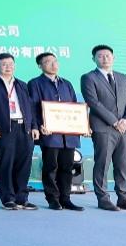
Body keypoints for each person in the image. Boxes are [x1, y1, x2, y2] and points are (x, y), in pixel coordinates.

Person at [80, 44, 126, 211]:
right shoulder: (88, 78)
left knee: (122, 165)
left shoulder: (123, 77)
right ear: (94, 59)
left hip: (124, 129)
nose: (105, 59)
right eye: (100, 56)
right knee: (102, 164)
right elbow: (93, 102)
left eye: (108, 55)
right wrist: (114, 121)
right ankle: (103, 198)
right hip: (103, 128)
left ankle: (123, 197)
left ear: (113, 58)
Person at [0, 53, 40, 210]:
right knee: (6, 163)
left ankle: (22, 198)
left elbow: (30, 107)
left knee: (24, 164)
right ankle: (8, 198)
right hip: (4, 128)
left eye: (11, 64)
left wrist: (34, 126)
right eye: (4, 64)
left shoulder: (22, 84)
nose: (8, 67)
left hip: (24, 128)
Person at [28, 52, 84, 211]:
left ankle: (66, 198)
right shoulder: (35, 83)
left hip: (69, 134)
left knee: (67, 166)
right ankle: (53, 199)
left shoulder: (66, 83)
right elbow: (32, 108)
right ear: (40, 66)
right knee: (51, 166)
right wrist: (38, 125)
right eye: (48, 62)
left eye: (55, 61)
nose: (53, 64)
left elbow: (74, 107)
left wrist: (81, 125)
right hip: (49, 133)